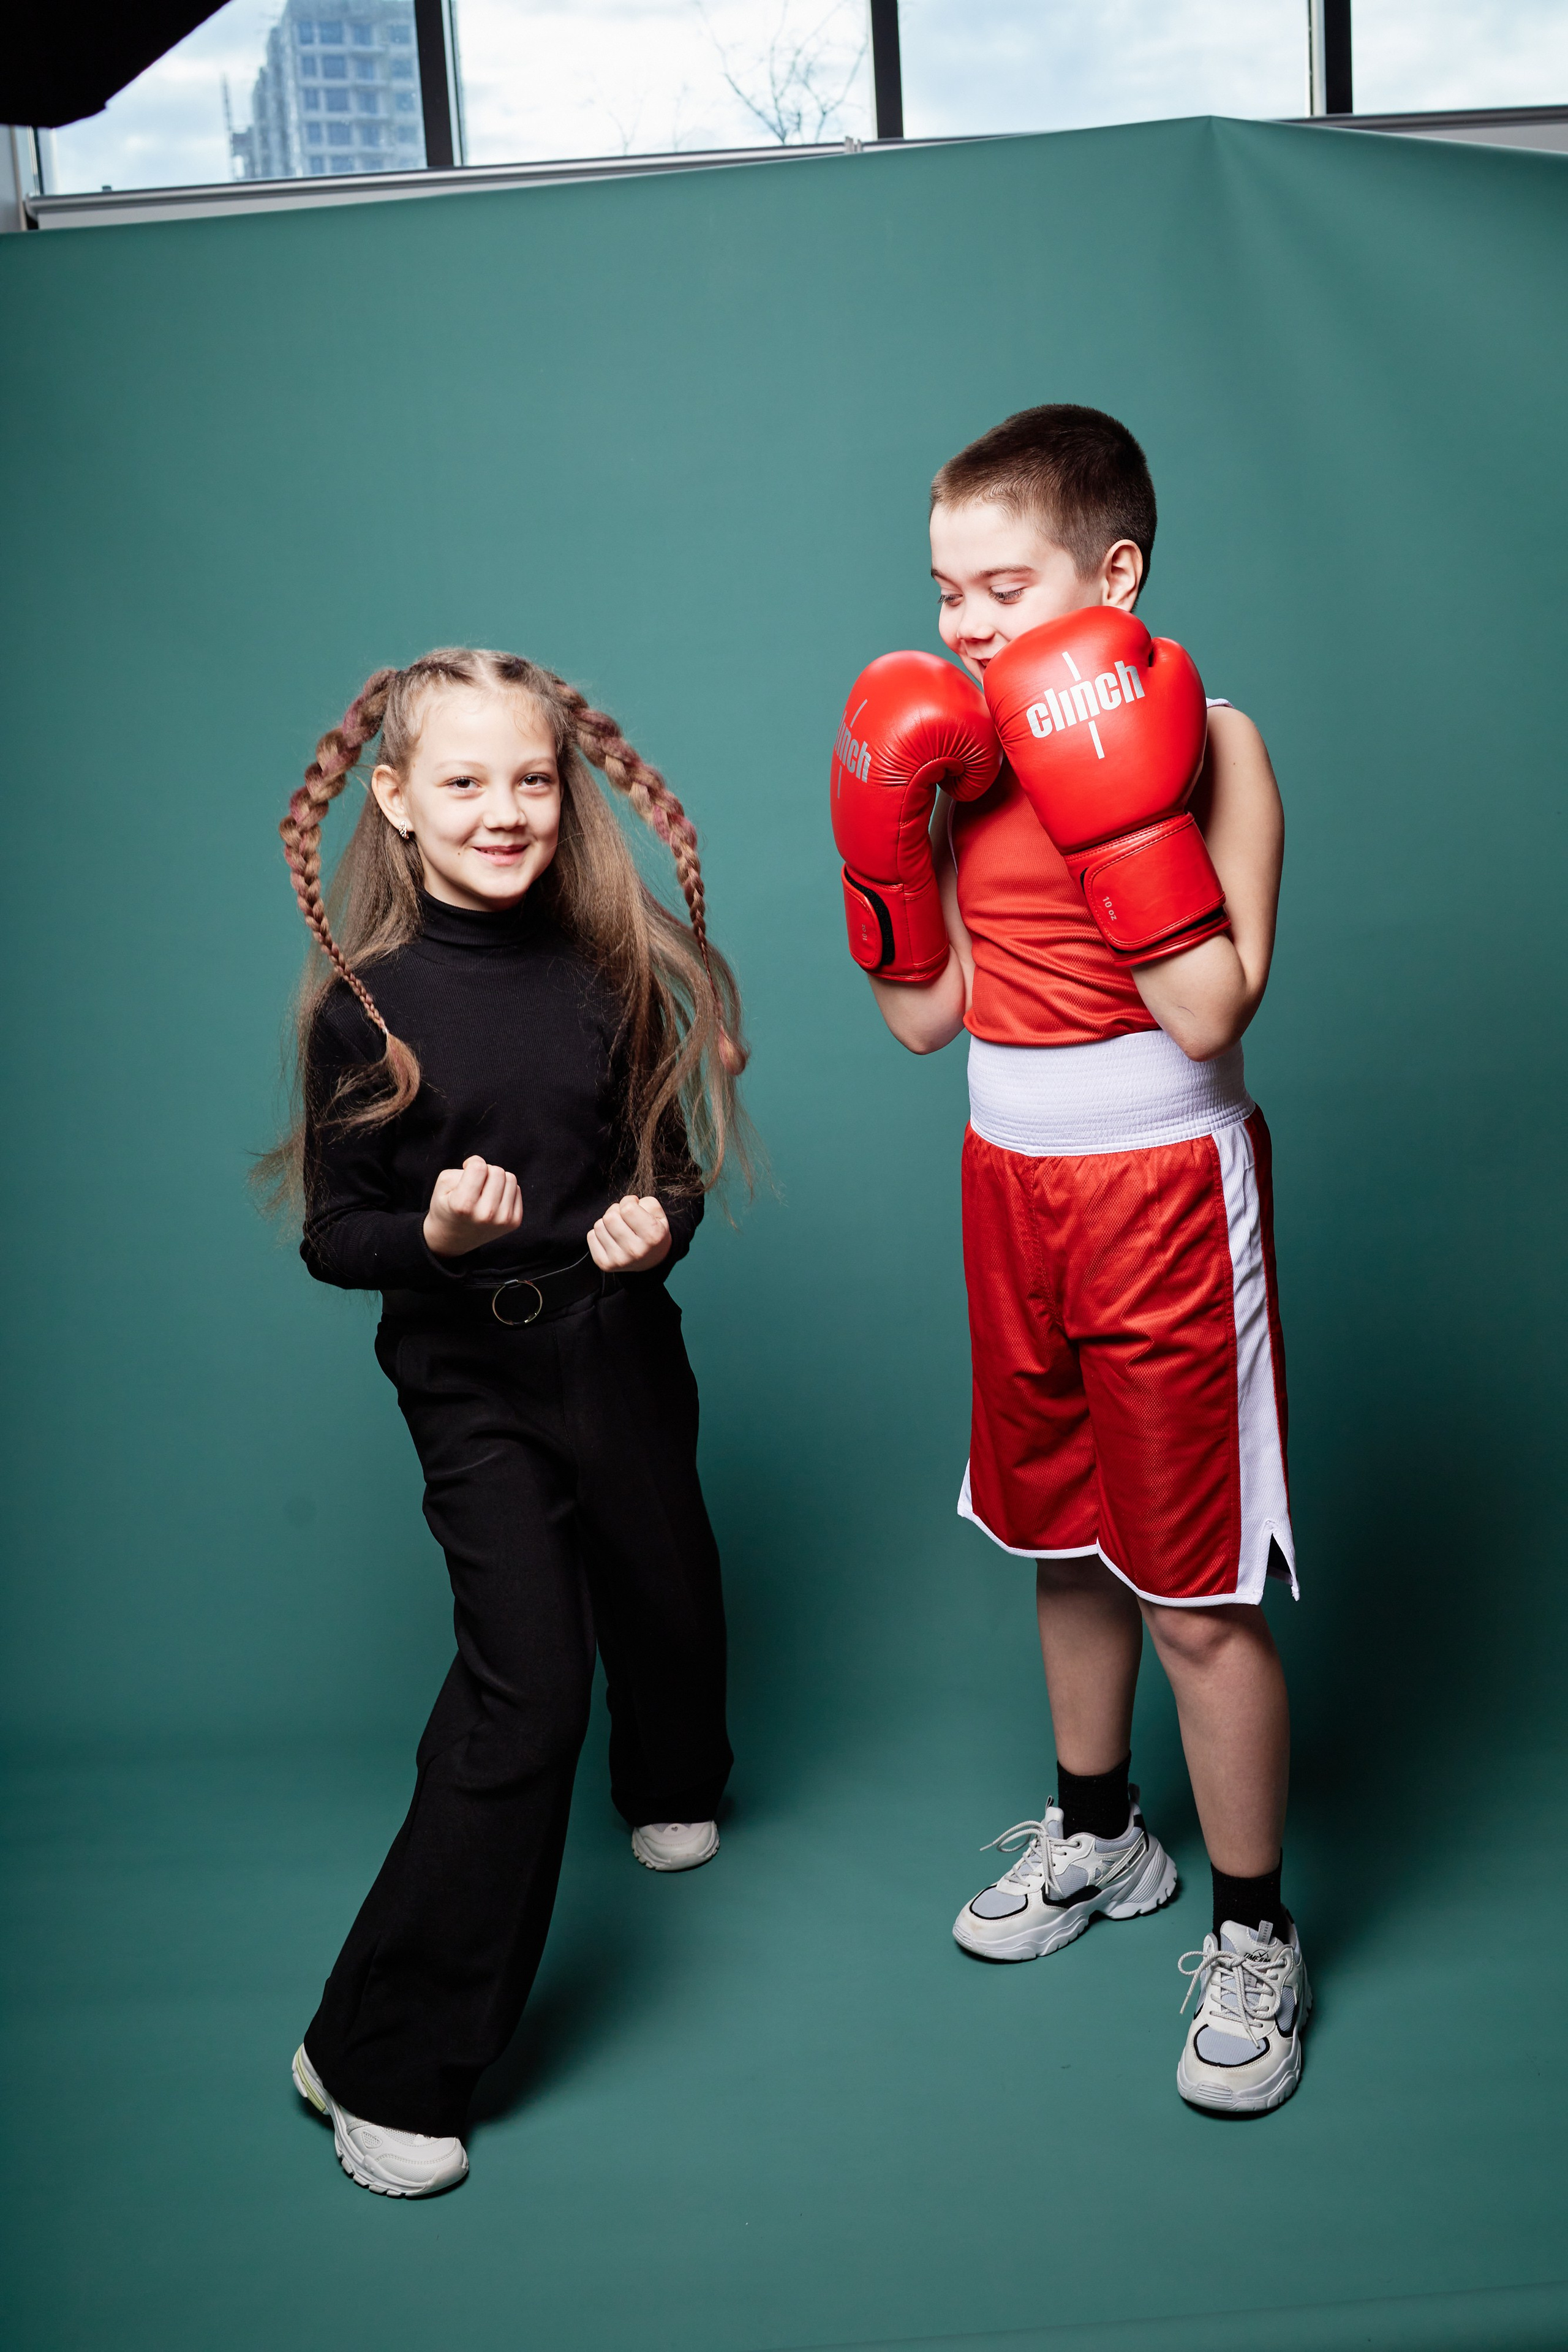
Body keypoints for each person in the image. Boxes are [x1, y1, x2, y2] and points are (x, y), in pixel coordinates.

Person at [829, 406, 1308, 2115]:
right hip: (1007, 1179)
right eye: (944, 588)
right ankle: (1105, 1839)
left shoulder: (1216, 743)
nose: (962, 622)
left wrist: (1112, 802)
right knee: (1058, 1536)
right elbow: (923, 1020)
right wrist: (881, 844)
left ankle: (1254, 1928)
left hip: (1163, 1190)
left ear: (1115, 572)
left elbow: (1205, 1005)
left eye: (1001, 584)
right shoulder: (951, 760)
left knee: (1194, 1589)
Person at [260, 647, 747, 2193]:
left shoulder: (610, 973)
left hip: (617, 1342)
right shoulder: (366, 1012)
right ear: (395, 803)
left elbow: (669, 1163)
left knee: (663, 1571)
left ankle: (671, 1781)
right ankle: (371, 2057)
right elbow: (335, 1236)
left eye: (531, 779)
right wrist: (443, 1247)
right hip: (470, 1379)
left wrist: (650, 1225)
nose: (505, 809)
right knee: (528, 1691)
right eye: (464, 781)